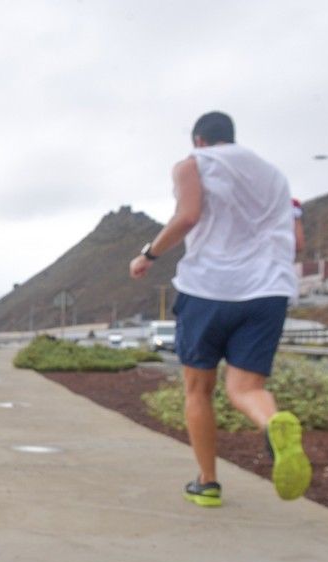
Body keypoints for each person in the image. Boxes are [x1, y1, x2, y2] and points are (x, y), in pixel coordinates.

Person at [128, 111, 311, 508]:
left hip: (209, 289)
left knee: (198, 390)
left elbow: (188, 216)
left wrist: (148, 254)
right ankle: (272, 423)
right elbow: (294, 242)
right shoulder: (275, 176)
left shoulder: (194, 164)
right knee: (247, 388)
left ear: (199, 140)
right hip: (267, 292)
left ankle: (207, 483)